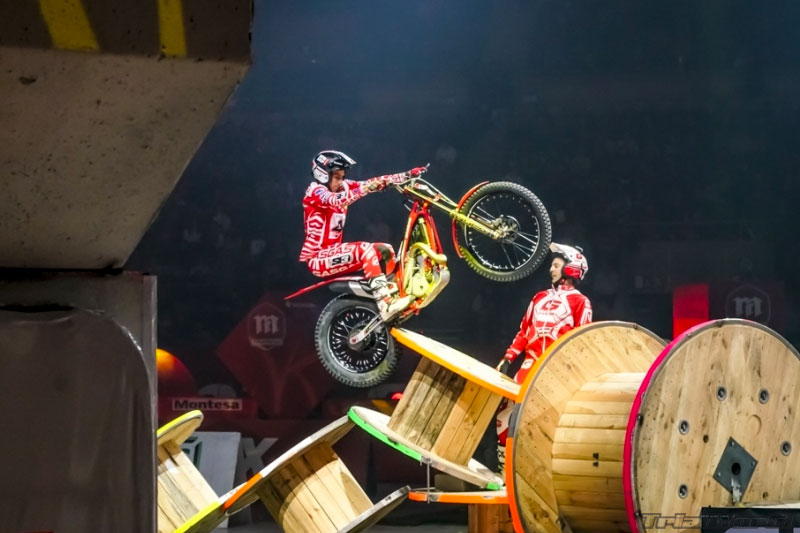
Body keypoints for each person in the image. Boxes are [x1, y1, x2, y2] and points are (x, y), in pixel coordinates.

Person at [495, 242, 593, 476]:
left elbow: (582, 341)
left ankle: (544, 473)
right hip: (529, 365)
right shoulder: (538, 297)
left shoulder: (580, 302)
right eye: (552, 265)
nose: (551, 269)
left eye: (557, 264)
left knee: (548, 423)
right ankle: (504, 471)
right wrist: (508, 358)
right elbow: (523, 332)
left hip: (556, 371)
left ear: (572, 268)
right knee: (504, 414)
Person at [299, 150, 427, 320]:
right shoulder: (314, 191)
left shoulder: (342, 186)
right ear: (323, 175)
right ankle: (385, 303)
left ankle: (395, 295)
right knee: (366, 250)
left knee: (385, 250)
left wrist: (407, 175)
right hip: (318, 258)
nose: (341, 181)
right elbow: (338, 200)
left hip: (334, 250)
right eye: (337, 177)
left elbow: (373, 182)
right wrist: (365, 189)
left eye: (343, 176)